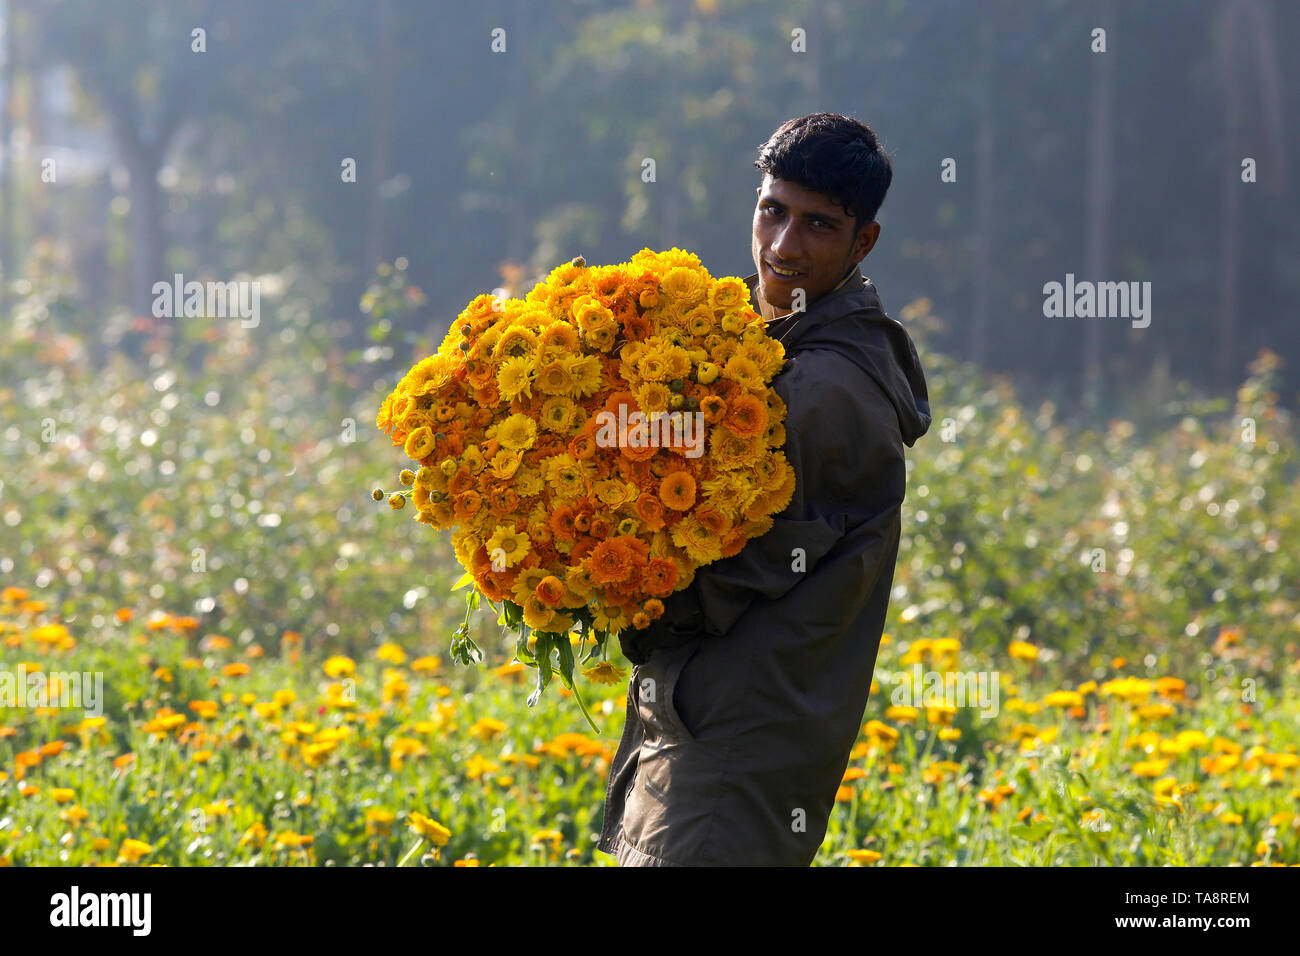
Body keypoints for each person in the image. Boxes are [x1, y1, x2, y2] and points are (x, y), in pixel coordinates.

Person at [594, 113, 933, 866]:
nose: (782, 247)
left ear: (862, 242)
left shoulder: (826, 389)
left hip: (736, 752)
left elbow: (724, 580)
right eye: (772, 211)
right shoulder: (758, 347)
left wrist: (596, 574)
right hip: (703, 729)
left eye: (818, 225)